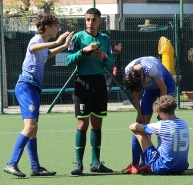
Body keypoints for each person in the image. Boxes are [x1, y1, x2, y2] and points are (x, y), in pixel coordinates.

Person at [3, 14, 74, 178]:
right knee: (30, 127)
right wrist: (57, 42)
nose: (58, 29)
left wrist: (63, 45)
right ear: (47, 27)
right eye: (56, 25)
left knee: (33, 129)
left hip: (33, 89)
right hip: (26, 87)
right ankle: (11, 163)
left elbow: (47, 54)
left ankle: (35, 168)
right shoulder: (36, 40)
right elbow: (33, 49)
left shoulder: (42, 44)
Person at [66, 8, 114, 175]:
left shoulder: (105, 39)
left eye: (93, 20)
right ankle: (78, 163)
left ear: (100, 21)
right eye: (87, 19)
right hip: (83, 82)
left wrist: (104, 57)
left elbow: (111, 64)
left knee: (97, 123)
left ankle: (96, 163)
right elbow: (68, 60)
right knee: (82, 123)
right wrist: (83, 51)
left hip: (99, 82)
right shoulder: (78, 37)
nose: (90, 23)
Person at [122, 56, 176, 174]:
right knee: (140, 125)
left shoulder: (151, 68)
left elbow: (163, 88)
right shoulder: (129, 70)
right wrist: (139, 112)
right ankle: (135, 164)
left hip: (166, 89)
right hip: (150, 91)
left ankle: (151, 162)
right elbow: (134, 92)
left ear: (142, 78)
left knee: (166, 124)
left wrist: (161, 111)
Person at [128, 95, 189, 175]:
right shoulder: (184, 123)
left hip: (162, 168)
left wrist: (136, 123)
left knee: (137, 131)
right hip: (182, 167)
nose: (158, 116)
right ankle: (145, 164)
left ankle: (134, 166)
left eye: (159, 114)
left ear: (163, 113)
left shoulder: (161, 125)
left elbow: (132, 127)